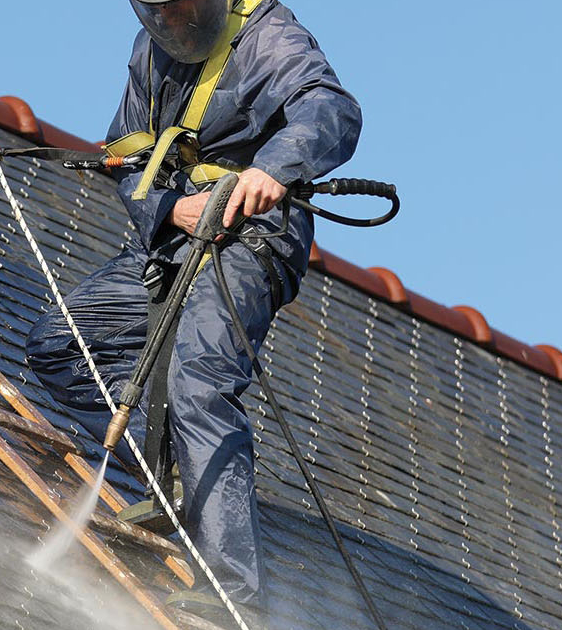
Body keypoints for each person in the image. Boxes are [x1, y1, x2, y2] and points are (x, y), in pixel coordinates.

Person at [26, 0, 361, 624]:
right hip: (176, 236)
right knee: (60, 345)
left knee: (199, 379)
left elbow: (331, 111)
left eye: (183, 12)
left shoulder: (270, 36)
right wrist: (166, 209)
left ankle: (233, 593)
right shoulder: (149, 48)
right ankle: (174, 471)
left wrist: (271, 170)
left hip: (252, 237)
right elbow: (127, 152)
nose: (173, 27)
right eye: (161, 16)